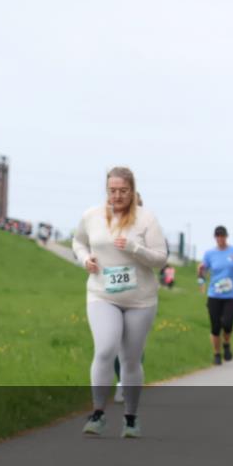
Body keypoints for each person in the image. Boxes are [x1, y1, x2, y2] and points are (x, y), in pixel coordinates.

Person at [72, 167, 167, 438]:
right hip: (102, 295)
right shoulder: (91, 216)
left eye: (123, 191)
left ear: (133, 190)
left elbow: (161, 258)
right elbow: (78, 242)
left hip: (141, 300)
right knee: (105, 349)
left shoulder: (146, 219)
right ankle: (98, 414)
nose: (117, 196)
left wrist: (135, 249)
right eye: (112, 191)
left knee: (131, 359)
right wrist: (84, 259)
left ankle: (131, 418)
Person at [198, 226, 233, 365]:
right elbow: (203, 272)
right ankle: (217, 353)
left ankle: (226, 343)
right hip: (214, 294)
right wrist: (201, 270)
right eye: (218, 236)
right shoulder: (209, 253)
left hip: (231, 294)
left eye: (222, 236)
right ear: (215, 237)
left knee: (228, 323)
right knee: (215, 326)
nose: (220, 238)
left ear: (226, 236)